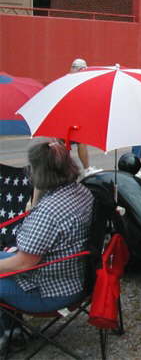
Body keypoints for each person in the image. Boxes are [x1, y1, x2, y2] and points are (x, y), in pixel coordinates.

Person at [0, 141, 94, 346]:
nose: (29, 172)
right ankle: (11, 331)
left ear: (41, 173)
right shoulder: (81, 192)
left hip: (49, 292)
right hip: (74, 277)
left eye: (32, 167)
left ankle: (8, 335)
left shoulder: (49, 212)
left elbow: (24, 263)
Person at [69, 58, 98, 176]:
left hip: (65, 116)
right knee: (81, 141)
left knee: (63, 145)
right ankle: (86, 169)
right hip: (73, 116)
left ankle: (64, 171)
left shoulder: (67, 78)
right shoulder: (78, 80)